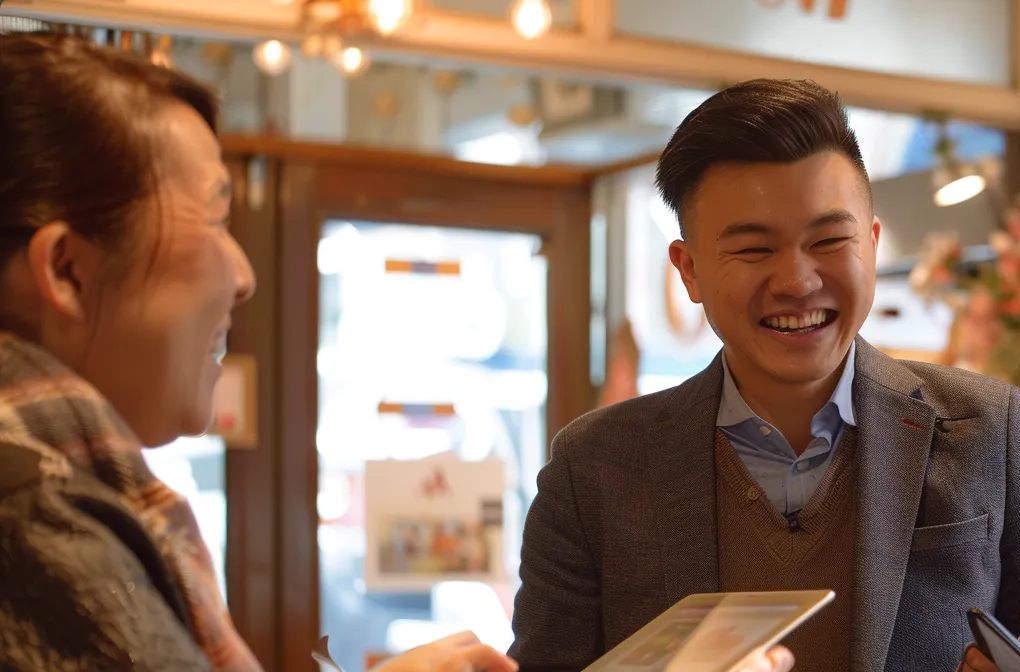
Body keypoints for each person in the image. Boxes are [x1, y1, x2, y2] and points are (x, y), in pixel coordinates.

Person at [0, 33, 797, 672]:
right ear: (67, 269)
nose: (242, 275)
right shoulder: (36, 519)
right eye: (212, 219)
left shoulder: (76, 489)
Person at [510, 78, 1020, 672]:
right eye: (754, 250)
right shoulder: (594, 470)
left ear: (872, 241)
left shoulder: (989, 431)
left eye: (830, 239)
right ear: (689, 271)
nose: (797, 281)